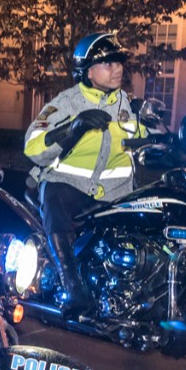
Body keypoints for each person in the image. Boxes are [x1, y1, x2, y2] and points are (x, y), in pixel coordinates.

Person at [24, 32, 148, 318]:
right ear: (87, 71)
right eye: (108, 63)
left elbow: (145, 138)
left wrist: (167, 139)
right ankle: (73, 288)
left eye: (118, 63)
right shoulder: (66, 103)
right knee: (54, 198)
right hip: (71, 188)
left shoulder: (127, 106)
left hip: (116, 193)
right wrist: (72, 129)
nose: (117, 69)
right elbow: (32, 146)